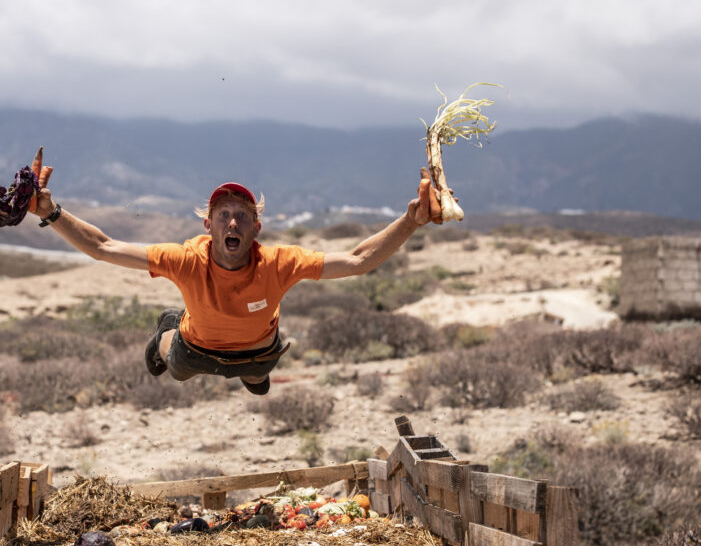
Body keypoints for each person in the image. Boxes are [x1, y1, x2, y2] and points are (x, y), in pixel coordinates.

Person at [26, 147, 433, 396]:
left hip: (259, 353)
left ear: (257, 227)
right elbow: (103, 247)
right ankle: (164, 334)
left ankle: (250, 374)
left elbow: (360, 260)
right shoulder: (186, 259)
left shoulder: (278, 263)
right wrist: (51, 212)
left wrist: (411, 221)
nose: (233, 223)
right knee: (174, 366)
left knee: (257, 377)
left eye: (243, 215)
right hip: (195, 351)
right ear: (209, 226)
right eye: (223, 215)